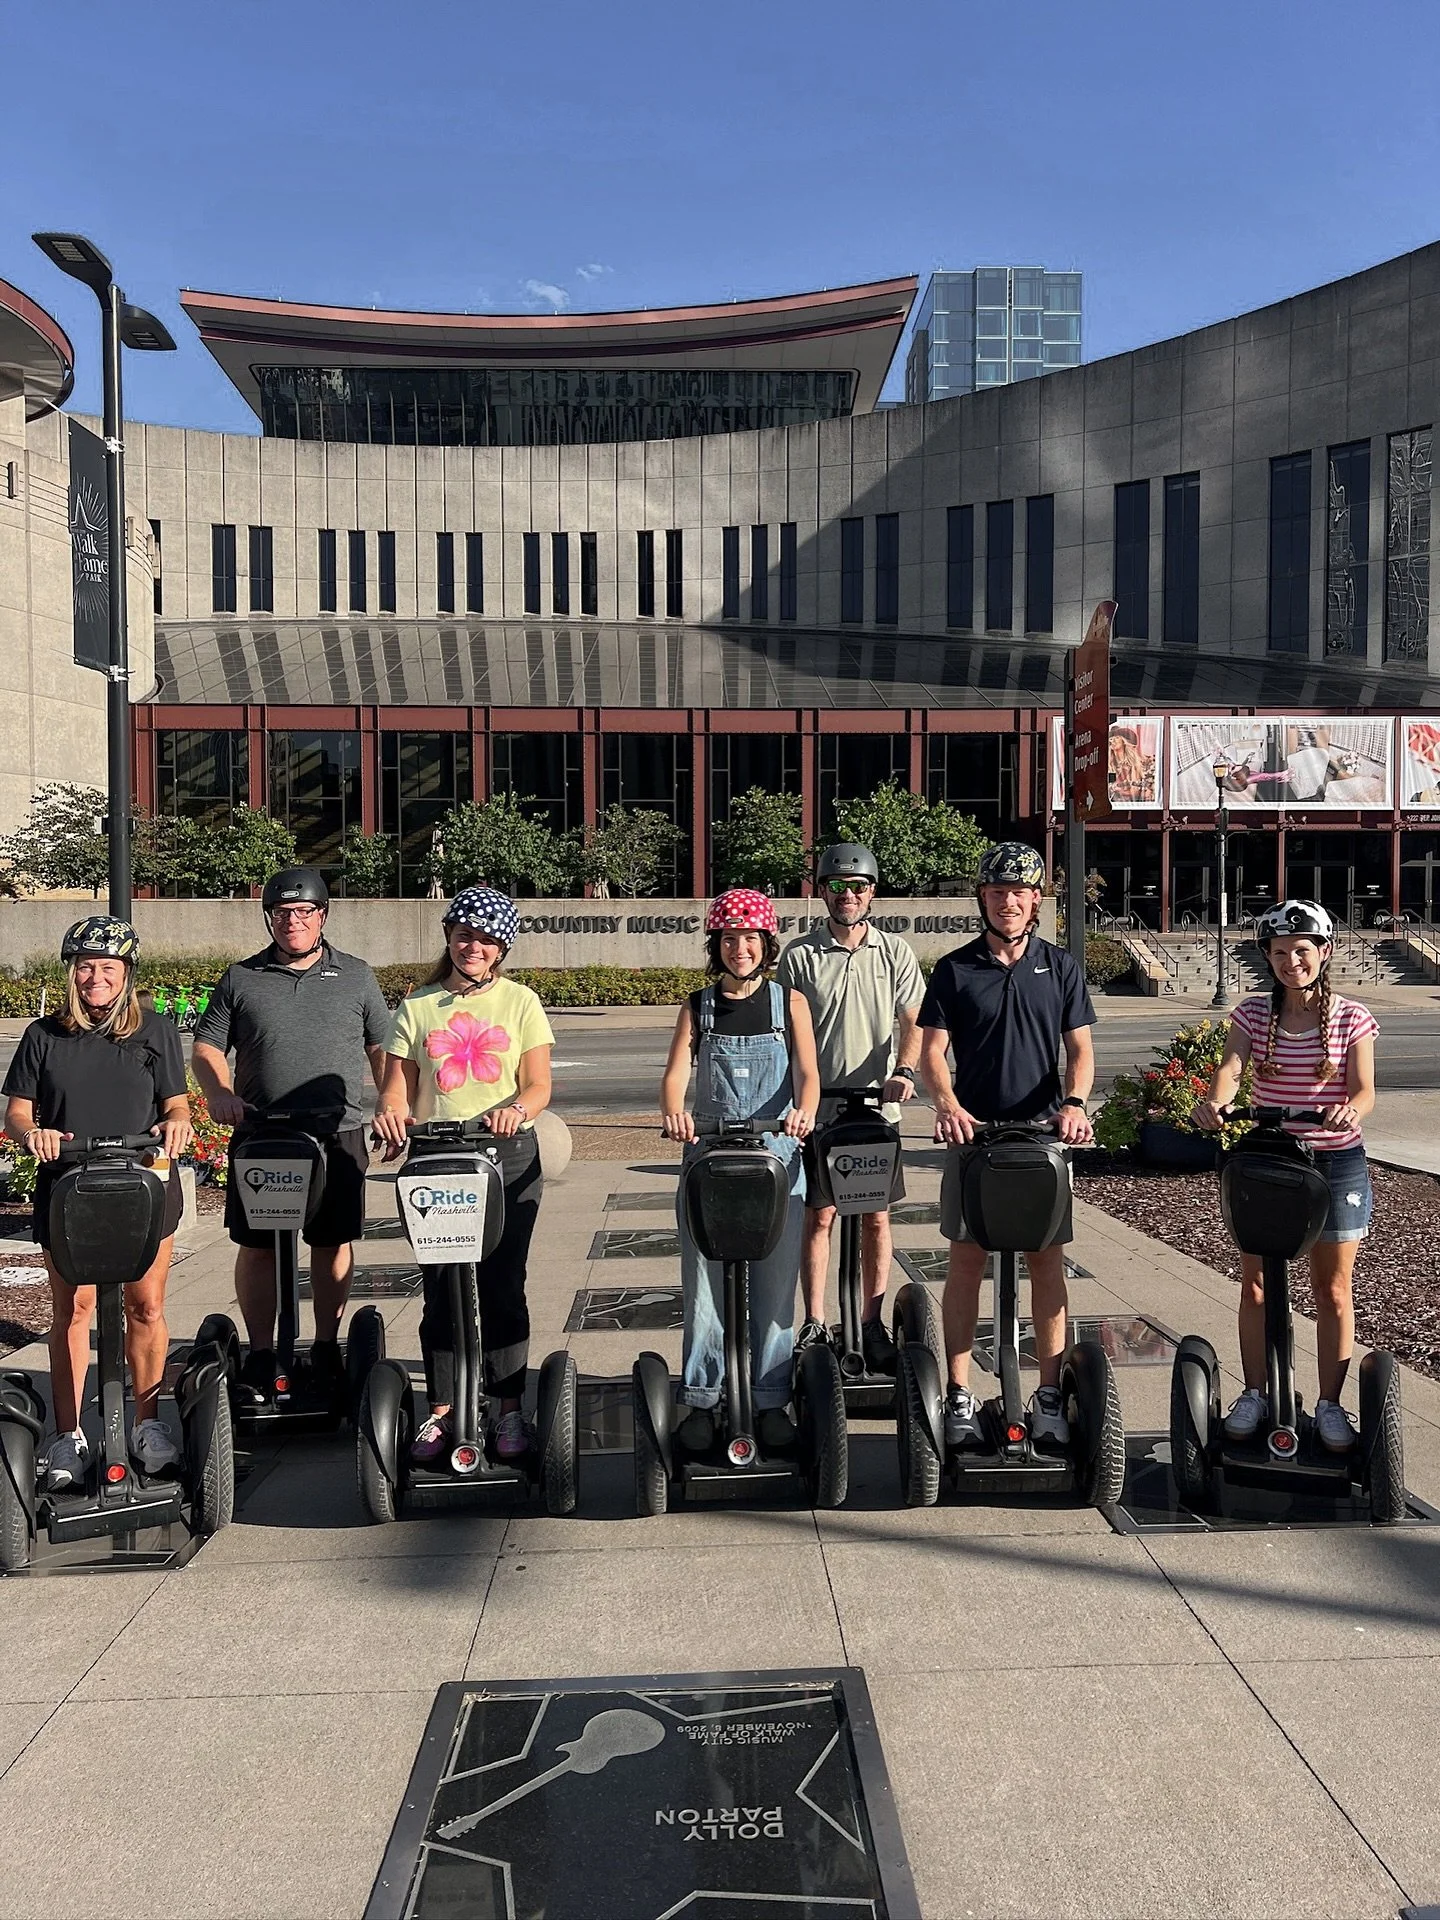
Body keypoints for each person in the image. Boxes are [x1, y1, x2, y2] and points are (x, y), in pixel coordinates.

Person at [3, 918, 192, 1487]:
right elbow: (16, 1111)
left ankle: (147, 1423)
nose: (96, 977)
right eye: (85, 966)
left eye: (108, 967)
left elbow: (177, 1105)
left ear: (127, 974)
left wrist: (177, 1125)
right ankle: (69, 1435)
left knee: (146, 1307)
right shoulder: (43, 1036)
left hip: (143, 1185)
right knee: (75, 1310)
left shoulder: (155, 1031)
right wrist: (30, 1132)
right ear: (71, 972)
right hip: (70, 1190)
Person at [918, 843, 1096, 1447]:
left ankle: (1048, 1391)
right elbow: (931, 1053)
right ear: (983, 898)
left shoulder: (1061, 966)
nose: (1009, 901)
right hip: (976, 1137)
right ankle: (961, 1392)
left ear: (1036, 899)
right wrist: (948, 1105)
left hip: (1042, 1139)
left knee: (1046, 1262)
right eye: (998, 892)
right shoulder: (954, 968)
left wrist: (1074, 1105)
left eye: (1019, 892)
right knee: (966, 1260)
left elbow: (1080, 1051)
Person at [191, 867, 391, 1404]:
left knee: (331, 1243)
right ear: (269, 918)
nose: (293, 921)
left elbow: (383, 1049)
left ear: (322, 917)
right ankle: (261, 1353)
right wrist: (219, 1093)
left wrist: (392, 1104)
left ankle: (326, 1344)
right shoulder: (241, 977)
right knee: (258, 1248)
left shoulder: (356, 974)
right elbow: (208, 1048)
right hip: (262, 1135)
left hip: (337, 1133)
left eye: (304, 912)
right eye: (282, 913)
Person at [372, 887, 555, 1461]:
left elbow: (539, 1086)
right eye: (463, 935)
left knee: (502, 1286)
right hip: (436, 1162)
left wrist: (516, 1110)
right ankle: (445, 1407)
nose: (472, 946)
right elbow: (397, 1085)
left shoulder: (521, 1002)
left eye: (484, 938)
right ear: (449, 938)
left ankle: (506, 1410)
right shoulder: (419, 1005)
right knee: (442, 1291)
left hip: (506, 1158)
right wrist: (392, 1113)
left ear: (501, 947)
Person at [1192, 898, 1377, 1453]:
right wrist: (1217, 1101)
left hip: (1334, 1160)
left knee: (1332, 1290)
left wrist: (1351, 1109)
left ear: (1324, 951)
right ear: (1266, 957)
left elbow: (1365, 1089)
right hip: (1271, 1159)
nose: (1290, 961)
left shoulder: (1352, 1017)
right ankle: (1254, 1392)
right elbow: (1231, 1067)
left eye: (1302, 950)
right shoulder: (1251, 1014)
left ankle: (1328, 1404)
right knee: (1256, 1284)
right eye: (1279, 952)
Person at [659, 889, 820, 1451]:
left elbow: (807, 1073)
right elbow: (676, 1072)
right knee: (703, 1285)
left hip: (777, 1156)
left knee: (776, 1286)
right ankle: (703, 1397)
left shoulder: (788, 1003)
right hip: (711, 1160)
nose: (740, 948)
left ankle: (772, 1397)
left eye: (750, 938)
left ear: (766, 943)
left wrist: (804, 1113)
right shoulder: (698, 1005)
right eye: (730, 938)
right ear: (716, 945)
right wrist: (676, 1114)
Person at [776, 842, 924, 1372]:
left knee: (877, 1218)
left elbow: (914, 1021)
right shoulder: (798, 955)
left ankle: (870, 1320)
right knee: (820, 1216)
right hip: (819, 1110)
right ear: (823, 892)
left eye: (858, 886)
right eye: (838, 886)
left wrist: (903, 1072)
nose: (849, 895)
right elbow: (785, 1034)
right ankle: (814, 1321)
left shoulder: (895, 953)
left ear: (872, 893)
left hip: (877, 1111)